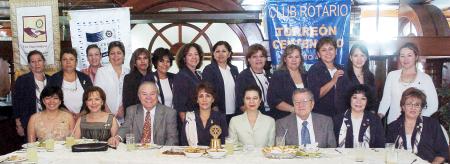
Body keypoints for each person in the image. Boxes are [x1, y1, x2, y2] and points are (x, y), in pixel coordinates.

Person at [378, 42, 438, 124]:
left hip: (417, 125)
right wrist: (379, 116)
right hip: (394, 124)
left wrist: (418, 118)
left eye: (409, 55)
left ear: (416, 57)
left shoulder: (426, 79)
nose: (405, 59)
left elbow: (433, 105)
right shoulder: (392, 75)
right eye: (402, 56)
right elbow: (386, 100)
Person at [386, 88, 448, 163]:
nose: (413, 108)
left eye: (417, 105)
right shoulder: (392, 127)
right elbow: (388, 151)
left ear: (421, 108)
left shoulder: (432, 124)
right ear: (403, 107)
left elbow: (443, 152)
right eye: (409, 104)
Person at [108, 82, 178, 146]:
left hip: (158, 153)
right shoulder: (132, 110)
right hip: (136, 152)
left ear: (157, 95)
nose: (148, 97)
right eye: (144, 94)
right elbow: (125, 128)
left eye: (152, 94)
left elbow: (172, 138)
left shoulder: (169, 113)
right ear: (139, 96)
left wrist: (162, 155)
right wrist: (117, 138)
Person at [13, 50, 50, 139]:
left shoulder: (51, 80)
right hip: (28, 124)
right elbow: (16, 104)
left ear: (44, 62)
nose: (37, 64)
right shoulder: (22, 80)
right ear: (29, 65)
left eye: (39, 60)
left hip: (49, 124)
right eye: (33, 62)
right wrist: (19, 125)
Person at [307, 36, 345, 117]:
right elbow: (315, 95)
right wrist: (333, 81)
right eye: (324, 50)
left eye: (331, 49)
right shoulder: (314, 70)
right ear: (318, 54)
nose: (328, 53)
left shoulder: (342, 69)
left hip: (341, 116)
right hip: (321, 116)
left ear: (336, 51)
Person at [48, 48, 93, 118]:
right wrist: (68, 114)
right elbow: (50, 100)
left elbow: (91, 98)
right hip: (61, 118)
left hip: (84, 118)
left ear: (76, 62)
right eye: (65, 59)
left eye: (71, 59)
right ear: (60, 62)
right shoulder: (54, 79)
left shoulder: (85, 78)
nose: (68, 62)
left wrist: (81, 114)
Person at [202, 41, 239, 123]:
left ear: (229, 54)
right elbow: (208, 91)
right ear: (214, 54)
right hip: (218, 112)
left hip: (235, 113)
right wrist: (214, 107)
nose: (220, 54)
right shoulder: (209, 70)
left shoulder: (234, 69)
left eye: (224, 51)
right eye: (217, 51)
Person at [268, 44, 308, 120]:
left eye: (297, 57)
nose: (294, 60)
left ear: (301, 59)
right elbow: (273, 100)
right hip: (283, 119)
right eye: (290, 57)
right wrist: (294, 110)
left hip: (304, 118)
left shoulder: (306, 75)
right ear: (285, 59)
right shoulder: (278, 75)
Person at [95, 41, 130, 121]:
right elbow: (98, 95)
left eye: (119, 53)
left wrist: (123, 108)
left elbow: (131, 95)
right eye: (112, 53)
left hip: (126, 117)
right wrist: (109, 114)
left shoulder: (129, 72)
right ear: (108, 56)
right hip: (105, 117)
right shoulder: (101, 72)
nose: (116, 56)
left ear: (123, 55)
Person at [235, 44, 271, 116]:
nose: (259, 59)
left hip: (271, 115)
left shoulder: (270, 75)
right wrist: (257, 118)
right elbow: (241, 104)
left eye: (261, 56)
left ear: (265, 59)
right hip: (252, 117)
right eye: (255, 57)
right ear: (248, 59)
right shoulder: (243, 77)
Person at [173, 43, 204, 122]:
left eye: (196, 54)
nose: (194, 57)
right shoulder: (181, 76)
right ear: (184, 58)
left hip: (199, 118)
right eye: (189, 55)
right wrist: (188, 126)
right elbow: (180, 106)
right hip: (189, 122)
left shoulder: (198, 74)